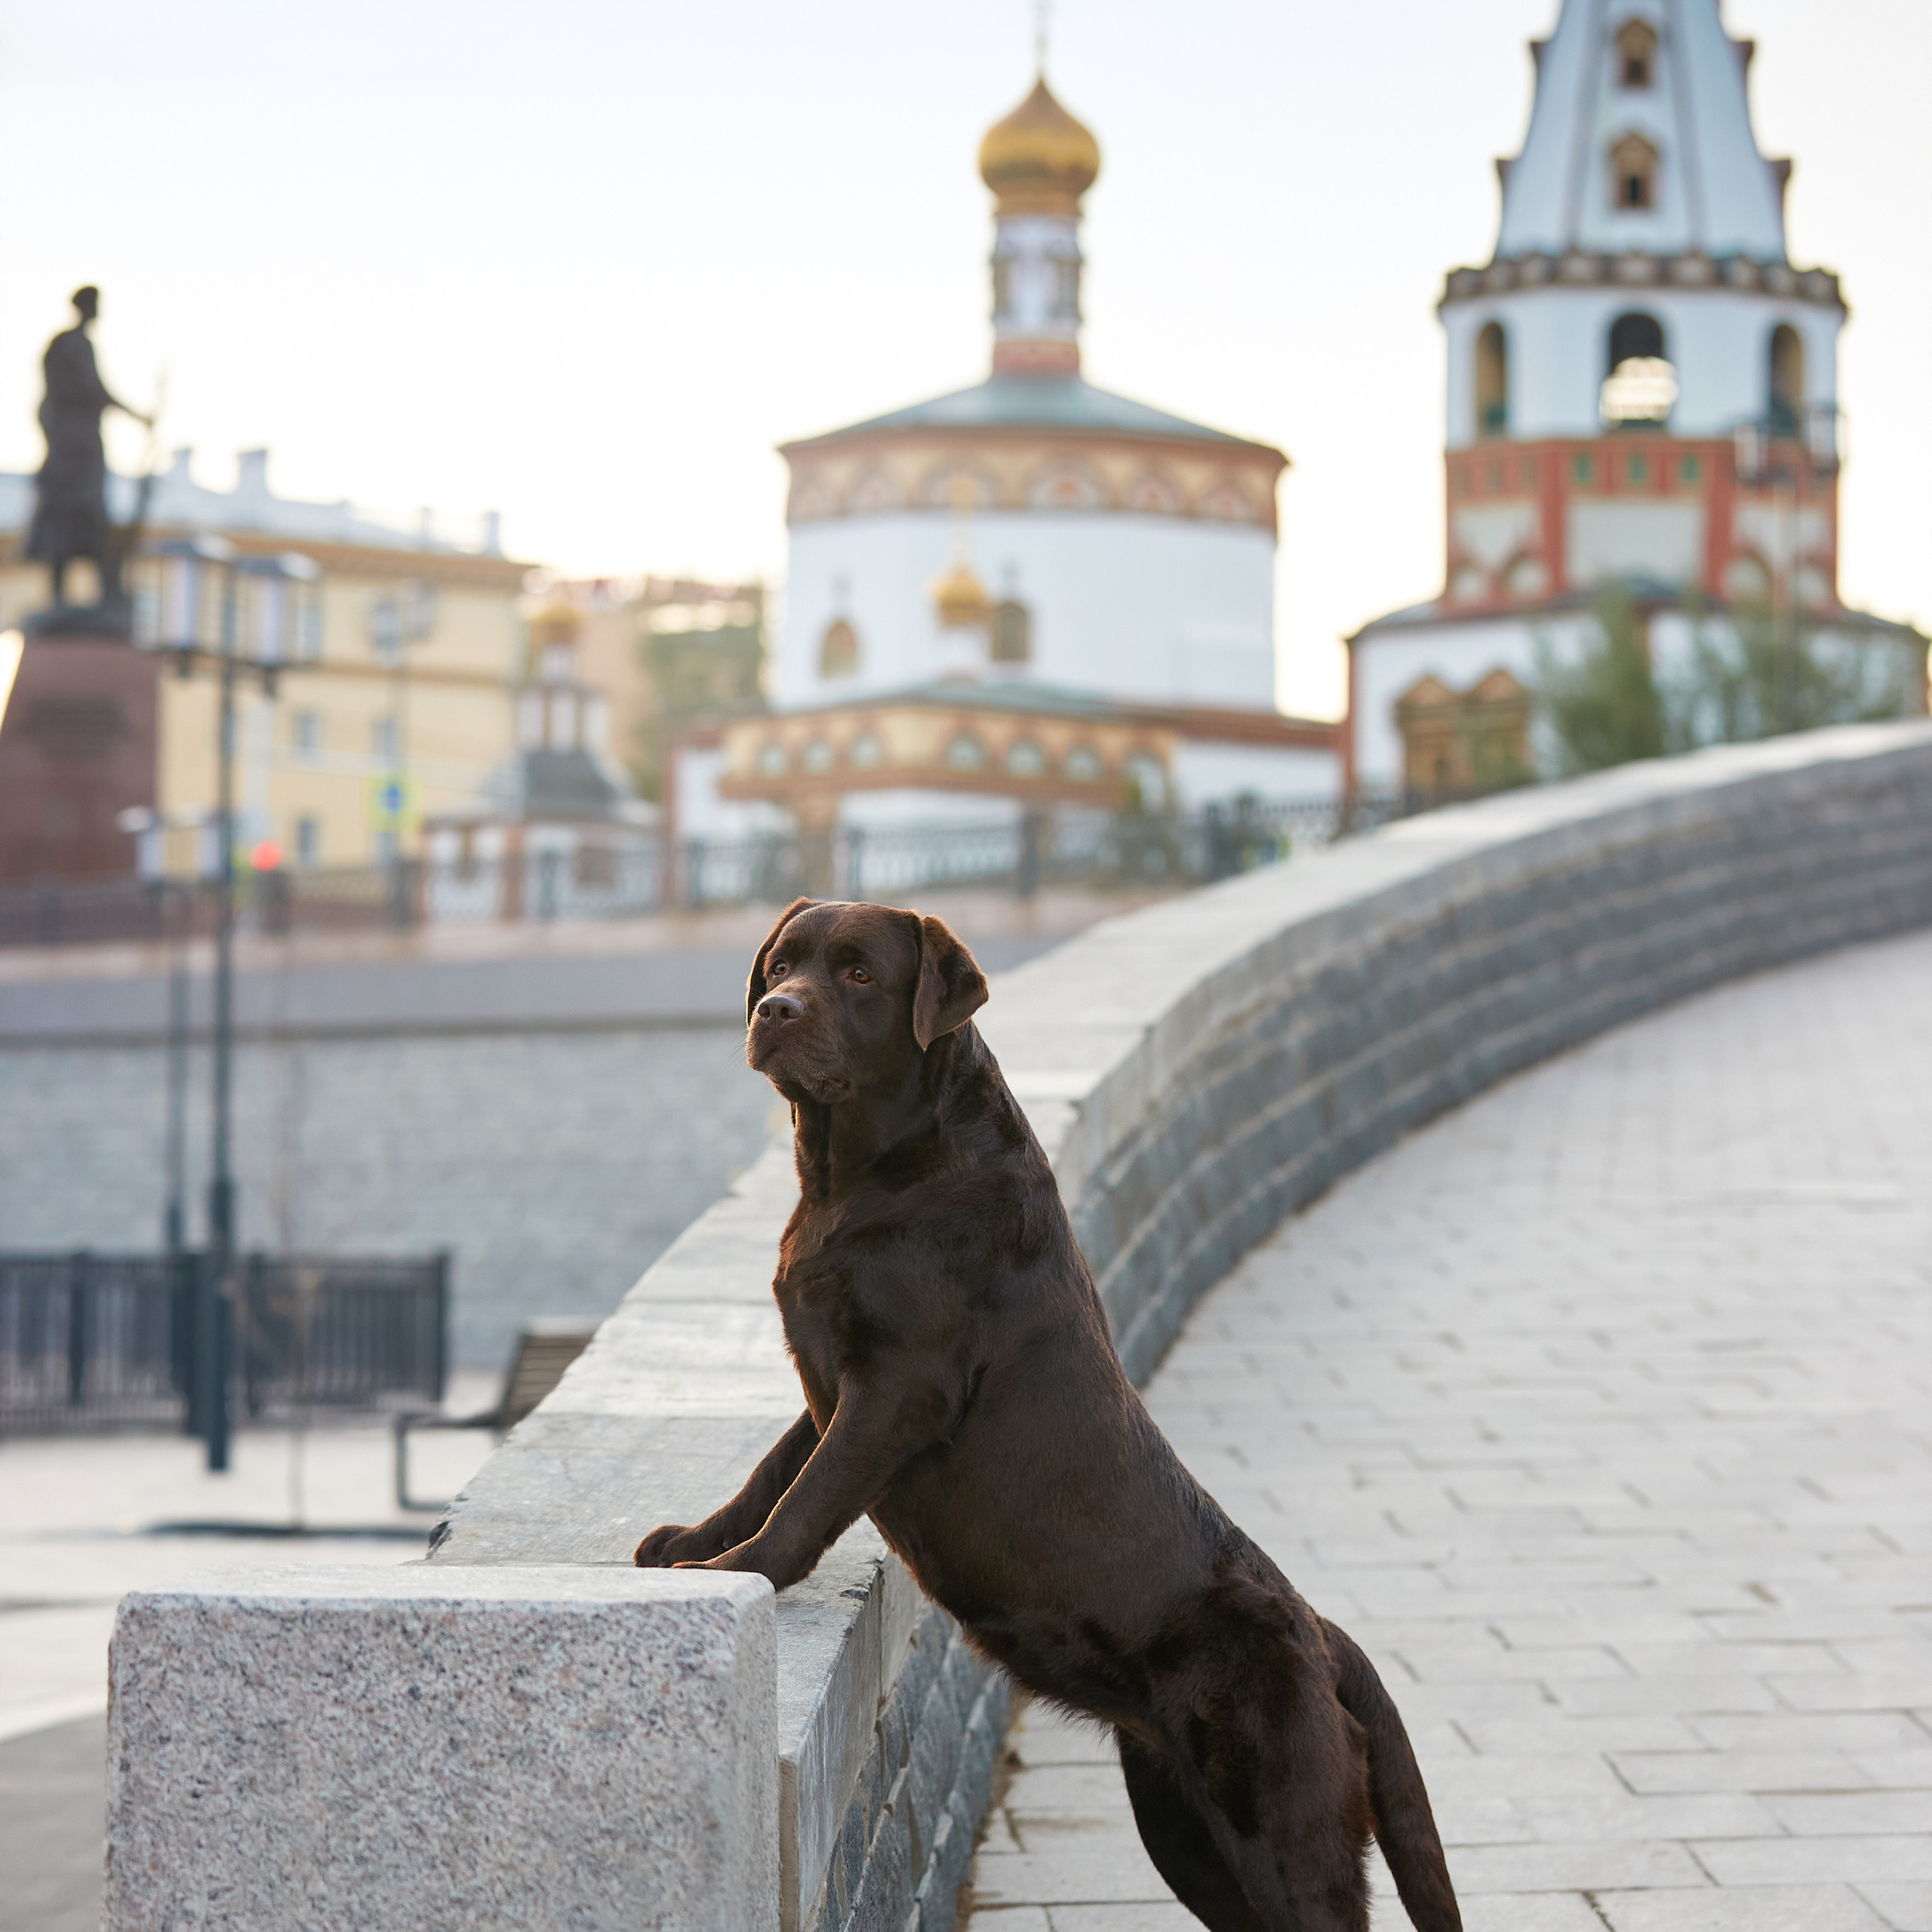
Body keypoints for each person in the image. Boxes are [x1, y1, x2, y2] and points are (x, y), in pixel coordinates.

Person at [27, 286, 151, 610]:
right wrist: (138, 416)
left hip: (75, 450)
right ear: (86, 307)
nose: (100, 311)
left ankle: (90, 597)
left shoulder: (66, 346)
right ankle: (70, 598)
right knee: (77, 518)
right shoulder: (74, 346)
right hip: (76, 451)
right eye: (96, 305)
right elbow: (95, 391)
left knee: (81, 520)